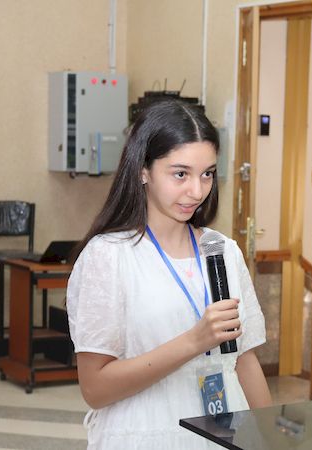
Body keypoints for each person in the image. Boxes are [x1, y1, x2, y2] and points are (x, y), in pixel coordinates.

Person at [67, 97, 272, 449]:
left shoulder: (222, 251)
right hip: (147, 433)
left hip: (225, 432)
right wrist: (194, 341)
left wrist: (271, 438)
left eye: (207, 174)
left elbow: (244, 359)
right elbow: (95, 388)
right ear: (143, 170)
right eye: (180, 174)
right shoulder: (109, 256)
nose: (197, 191)